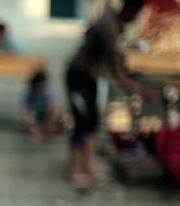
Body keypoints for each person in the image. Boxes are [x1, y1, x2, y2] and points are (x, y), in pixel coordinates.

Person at [66, 0, 155, 190]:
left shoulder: (110, 18)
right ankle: (74, 171)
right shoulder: (110, 27)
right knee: (82, 124)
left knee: (90, 123)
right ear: (132, 11)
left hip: (89, 76)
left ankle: (89, 172)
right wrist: (138, 90)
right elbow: (117, 70)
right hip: (79, 75)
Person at [23, 71, 62, 140]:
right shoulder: (29, 94)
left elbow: (53, 110)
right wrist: (34, 123)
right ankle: (43, 131)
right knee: (31, 127)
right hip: (38, 118)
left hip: (49, 118)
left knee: (56, 114)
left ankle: (46, 130)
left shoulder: (49, 92)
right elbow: (28, 113)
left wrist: (48, 124)